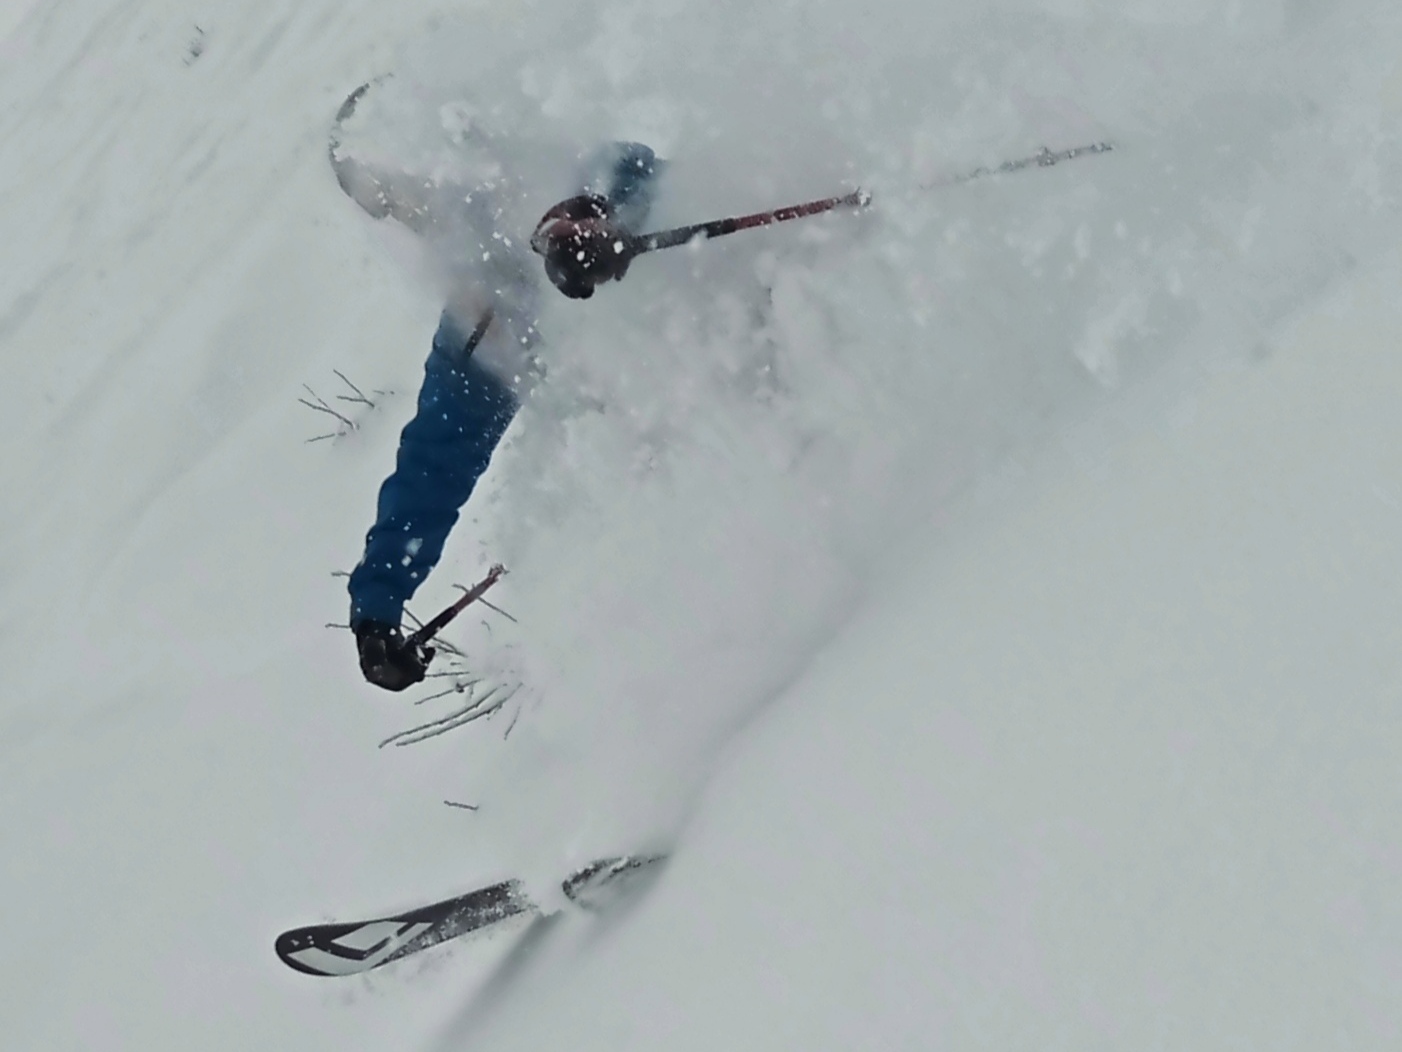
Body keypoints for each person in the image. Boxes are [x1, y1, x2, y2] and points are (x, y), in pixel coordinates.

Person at [331, 124, 662, 691]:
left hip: (757, 295)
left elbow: (635, 163)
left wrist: (602, 217)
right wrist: (376, 614)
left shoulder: (520, 180)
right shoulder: (481, 334)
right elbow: (433, 468)